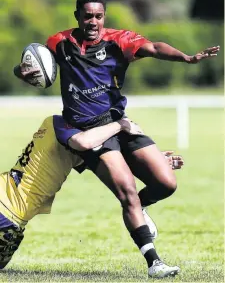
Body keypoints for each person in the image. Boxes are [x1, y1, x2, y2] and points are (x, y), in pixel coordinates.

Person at [13, 0, 216, 278]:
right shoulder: (58, 42)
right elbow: (30, 67)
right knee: (127, 191)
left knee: (166, 183)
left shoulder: (118, 41)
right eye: (87, 16)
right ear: (77, 17)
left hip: (119, 122)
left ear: (103, 16)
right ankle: (154, 262)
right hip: (88, 131)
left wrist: (186, 58)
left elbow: (155, 48)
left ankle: (140, 209)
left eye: (98, 16)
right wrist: (22, 72)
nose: (93, 22)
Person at [0, 114, 183, 272]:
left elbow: (113, 167)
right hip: (5, 206)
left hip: (14, 219)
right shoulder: (60, 124)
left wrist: (155, 164)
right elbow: (84, 141)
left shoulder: (74, 145)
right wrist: (121, 124)